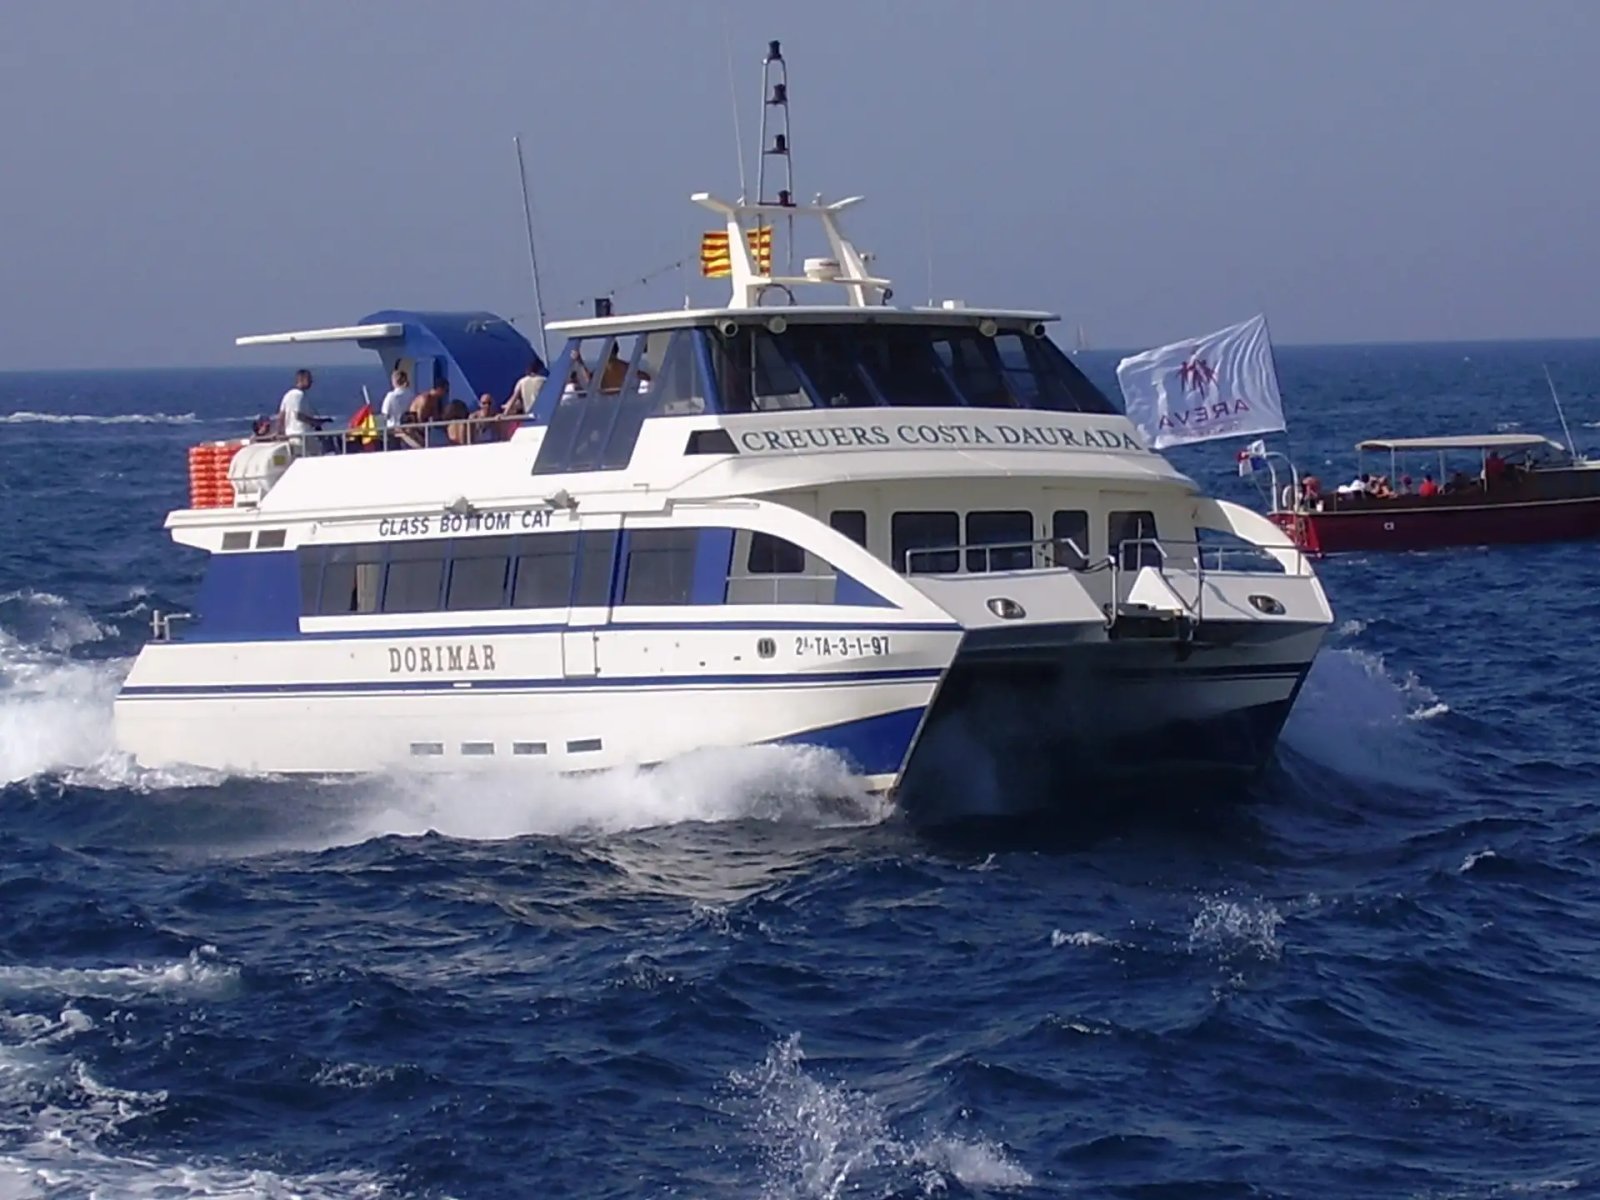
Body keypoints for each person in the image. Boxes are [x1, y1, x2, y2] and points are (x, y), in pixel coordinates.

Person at [277, 369, 328, 452]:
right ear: (302, 379)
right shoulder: (298, 395)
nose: (312, 382)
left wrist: (280, 432)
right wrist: (314, 422)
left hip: (291, 435)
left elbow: (281, 415)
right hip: (301, 435)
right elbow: (298, 415)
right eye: (309, 379)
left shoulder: (287, 395)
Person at [380, 368, 414, 434]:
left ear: (394, 381)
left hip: (394, 430)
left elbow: (385, 415)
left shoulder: (391, 396)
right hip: (409, 430)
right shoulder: (412, 395)